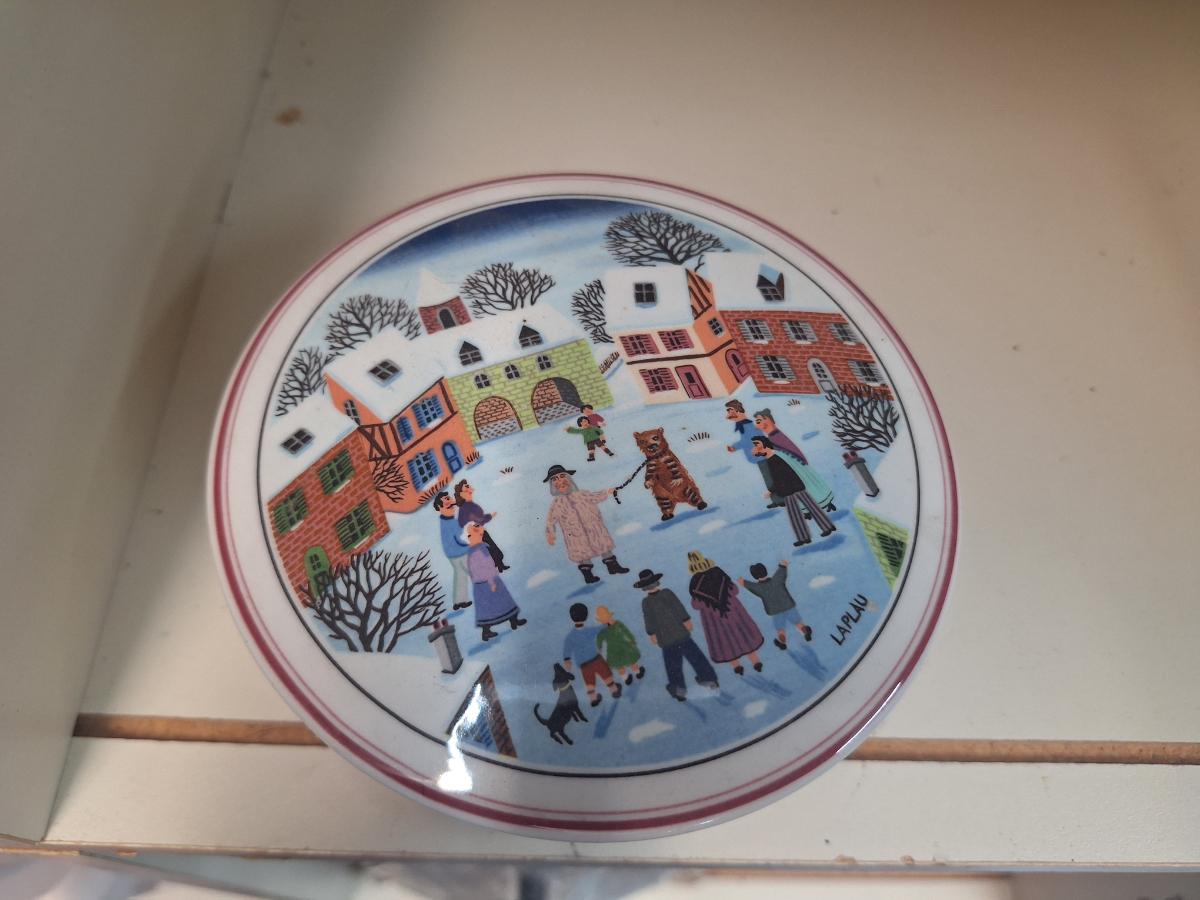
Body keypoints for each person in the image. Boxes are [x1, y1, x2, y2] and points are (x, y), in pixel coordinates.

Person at [636, 568, 719, 702]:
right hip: (678, 634)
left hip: (668, 638)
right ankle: (708, 680)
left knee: (674, 665)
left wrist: (652, 633)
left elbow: (650, 618)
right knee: (693, 657)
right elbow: (677, 608)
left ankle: (680, 689)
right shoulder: (663, 595)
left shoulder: (650, 601)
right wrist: (686, 620)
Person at [544, 464, 630, 584]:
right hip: (575, 535)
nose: (560, 481)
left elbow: (596, 497)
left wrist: (608, 491)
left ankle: (613, 566)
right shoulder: (557, 504)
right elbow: (550, 520)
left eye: (562, 476)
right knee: (581, 553)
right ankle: (588, 575)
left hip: (594, 528)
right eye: (555, 479)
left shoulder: (582, 494)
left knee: (603, 545)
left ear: (569, 478)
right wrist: (550, 534)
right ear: (552, 485)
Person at [686, 551, 764, 676]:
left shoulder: (695, 582)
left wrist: (708, 603)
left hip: (714, 618)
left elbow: (696, 605)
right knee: (744, 634)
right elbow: (734, 590)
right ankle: (756, 662)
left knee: (724, 641)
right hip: (733, 611)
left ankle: (737, 667)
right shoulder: (718, 572)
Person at [750, 436, 836, 546]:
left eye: (756, 444)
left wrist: (771, 491)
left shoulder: (776, 457)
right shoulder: (772, 457)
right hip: (790, 488)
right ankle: (806, 536)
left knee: (807, 508)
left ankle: (824, 528)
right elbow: (779, 477)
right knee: (795, 513)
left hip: (792, 487)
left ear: (764, 444)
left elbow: (780, 476)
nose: (755, 447)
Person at [753, 408, 836, 513]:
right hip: (791, 466)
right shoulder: (772, 437)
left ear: (767, 420)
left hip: (795, 465)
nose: (756, 425)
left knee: (808, 485)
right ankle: (809, 509)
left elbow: (791, 449)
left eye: (759, 421)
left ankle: (823, 503)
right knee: (802, 487)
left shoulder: (775, 436)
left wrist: (800, 461)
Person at [465, 522, 525, 641]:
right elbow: (485, 567)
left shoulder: (477, 548)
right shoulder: (477, 550)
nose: (482, 535)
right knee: (490, 606)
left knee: (502, 601)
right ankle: (487, 631)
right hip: (487, 582)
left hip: (484, 583)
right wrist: (491, 582)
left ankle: (513, 620)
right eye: (479, 534)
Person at [739, 560, 813, 649]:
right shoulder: (776, 580)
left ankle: (782, 642)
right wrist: (783, 565)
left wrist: (743, 582)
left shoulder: (759, 588)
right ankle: (805, 631)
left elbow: (750, 586)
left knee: (780, 629)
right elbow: (781, 572)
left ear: (754, 576)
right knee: (798, 623)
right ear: (765, 571)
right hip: (788, 606)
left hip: (775, 611)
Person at [562, 603, 622, 707]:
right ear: (586, 616)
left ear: (572, 617)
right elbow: (599, 628)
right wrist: (608, 624)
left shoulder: (570, 636)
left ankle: (593, 698)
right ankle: (614, 690)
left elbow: (567, 649)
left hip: (583, 664)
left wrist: (567, 660)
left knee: (589, 681)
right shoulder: (589, 631)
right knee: (606, 674)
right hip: (595, 658)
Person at [725, 399, 778, 508]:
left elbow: (753, 440)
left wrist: (735, 447)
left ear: (738, 411)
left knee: (770, 477)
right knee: (768, 477)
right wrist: (734, 447)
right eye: (728, 411)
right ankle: (777, 499)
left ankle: (779, 499)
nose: (728, 414)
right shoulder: (743, 425)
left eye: (730, 411)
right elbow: (745, 440)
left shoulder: (748, 426)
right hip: (758, 456)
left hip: (761, 456)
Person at [455, 479, 508, 572]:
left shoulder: (471, 504)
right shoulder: (465, 507)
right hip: (476, 535)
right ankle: (493, 570)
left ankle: (500, 566)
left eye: (468, 486)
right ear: (462, 494)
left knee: (494, 549)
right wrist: (489, 516)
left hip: (481, 531)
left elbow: (479, 519)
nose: (470, 488)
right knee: (489, 551)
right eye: (466, 487)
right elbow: (474, 520)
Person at [433, 491, 471, 610]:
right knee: (473, 571)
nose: (452, 506)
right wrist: (470, 545)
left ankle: (459, 601)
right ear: (440, 508)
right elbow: (458, 539)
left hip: (453, 553)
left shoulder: (446, 520)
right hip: (459, 553)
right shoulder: (449, 523)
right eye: (448, 505)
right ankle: (487, 588)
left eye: (452, 505)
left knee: (460, 575)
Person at [596, 604, 645, 685]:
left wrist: (599, 647)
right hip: (624, 646)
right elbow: (626, 631)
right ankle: (638, 673)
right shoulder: (618, 624)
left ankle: (626, 678)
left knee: (619, 666)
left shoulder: (603, 631)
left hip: (613, 651)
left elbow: (599, 639)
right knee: (632, 661)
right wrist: (632, 640)